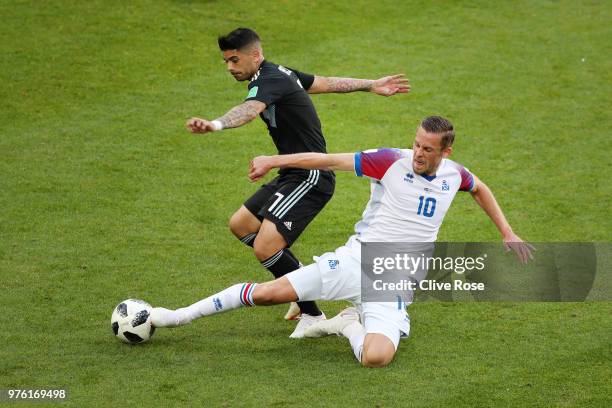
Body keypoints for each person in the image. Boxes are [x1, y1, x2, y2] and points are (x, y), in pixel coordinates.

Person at [151, 115, 534, 368]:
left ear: (445, 152)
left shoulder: (455, 174)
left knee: (376, 359)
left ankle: (348, 321)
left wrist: (507, 232)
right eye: (416, 144)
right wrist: (273, 160)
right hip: (355, 261)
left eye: (428, 149)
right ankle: (174, 316)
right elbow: (326, 160)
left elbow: (479, 188)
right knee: (270, 294)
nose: (418, 153)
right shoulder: (388, 161)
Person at [185, 27, 410, 337]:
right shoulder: (279, 72)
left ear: (255, 54)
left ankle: (312, 313)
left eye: (234, 60)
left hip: (311, 176)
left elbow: (250, 110)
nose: (230, 68)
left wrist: (215, 124)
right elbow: (326, 84)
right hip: (291, 171)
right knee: (240, 224)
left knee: (265, 245)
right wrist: (370, 85)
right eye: (226, 61)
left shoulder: (269, 80)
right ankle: (297, 283)